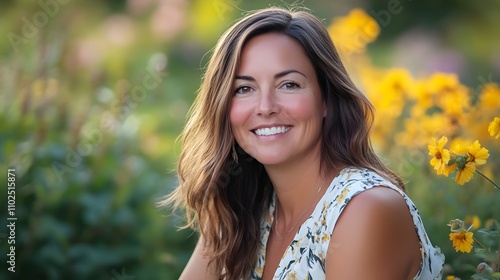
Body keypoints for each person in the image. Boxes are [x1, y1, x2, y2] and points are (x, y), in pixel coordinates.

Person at [166, 7, 444, 280]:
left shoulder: (365, 209)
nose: (265, 107)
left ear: (326, 99)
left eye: (289, 85)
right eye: (244, 88)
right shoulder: (245, 210)